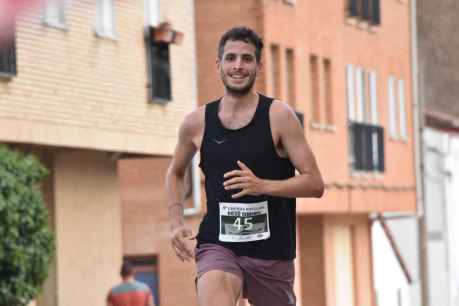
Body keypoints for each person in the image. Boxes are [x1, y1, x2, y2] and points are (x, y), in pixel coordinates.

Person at [165, 26, 324, 306]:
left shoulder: (279, 116)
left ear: (259, 66)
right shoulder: (196, 122)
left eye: (247, 59)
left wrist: (263, 186)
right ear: (219, 65)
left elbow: (314, 183)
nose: (238, 66)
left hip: (273, 253)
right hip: (219, 245)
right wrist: (176, 222)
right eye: (231, 58)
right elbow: (175, 172)